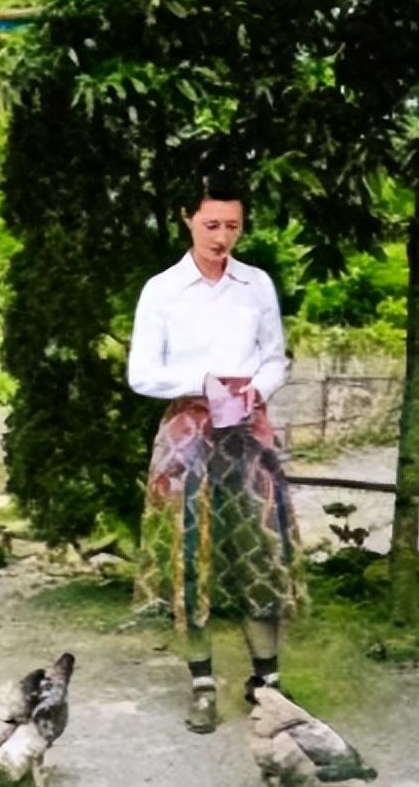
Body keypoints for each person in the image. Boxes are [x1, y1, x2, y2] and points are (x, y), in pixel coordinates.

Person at [127, 171, 304, 734]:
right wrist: (202, 383)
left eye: (233, 225)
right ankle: (203, 685)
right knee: (190, 559)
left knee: (259, 552)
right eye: (211, 225)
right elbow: (141, 373)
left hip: (248, 433)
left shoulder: (256, 285)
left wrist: (256, 389)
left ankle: (267, 685)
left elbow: (275, 355)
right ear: (187, 220)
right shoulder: (162, 291)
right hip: (188, 435)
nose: (222, 237)